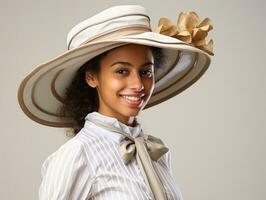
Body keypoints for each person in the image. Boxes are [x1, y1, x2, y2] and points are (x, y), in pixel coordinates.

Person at [17, 5, 214, 200]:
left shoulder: (156, 151)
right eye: (122, 71)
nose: (138, 84)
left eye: (146, 72)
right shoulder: (77, 155)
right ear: (92, 77)